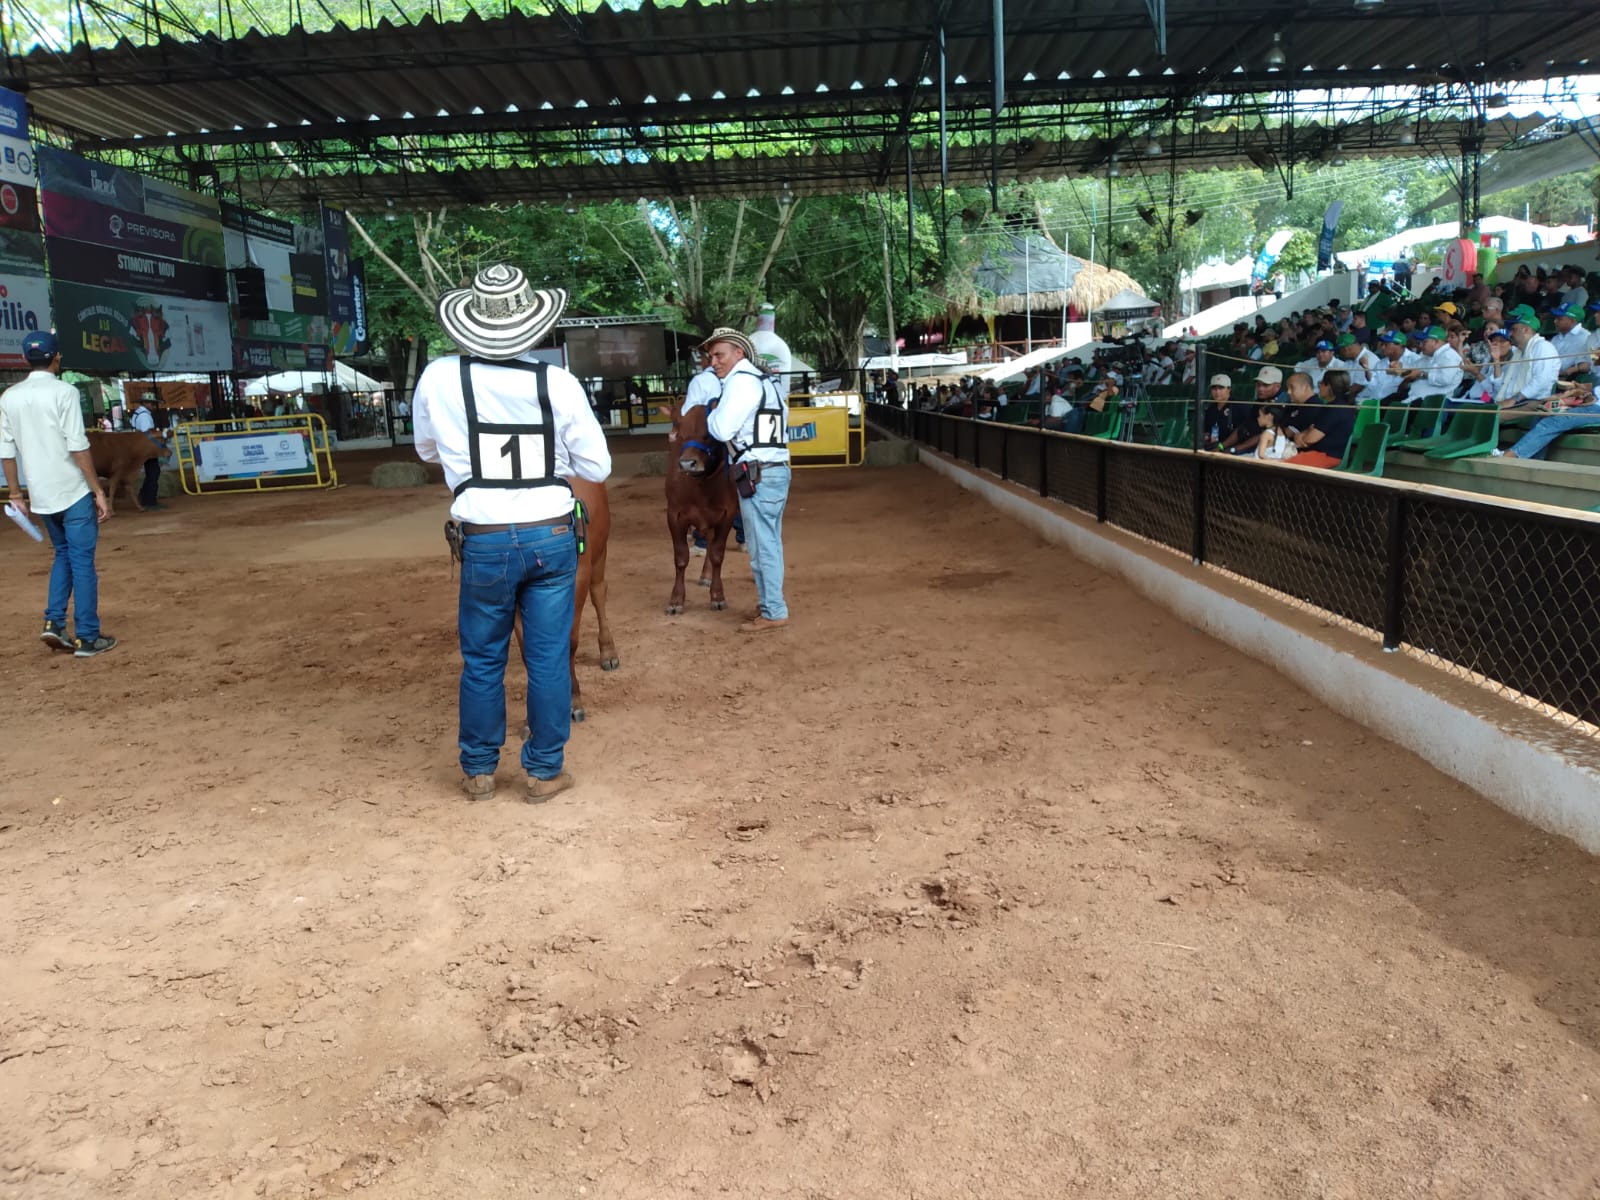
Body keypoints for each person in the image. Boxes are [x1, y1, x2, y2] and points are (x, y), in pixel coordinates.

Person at [412, 263, 612, 805]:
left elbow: (427, 450)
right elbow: (597, 465)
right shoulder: (557, 382)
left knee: (482, 658)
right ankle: (544, 771)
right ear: (530, 323)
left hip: (484, 536)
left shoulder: (439, 377)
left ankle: (479, 771)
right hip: (551, 533)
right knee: (547, 657)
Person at [0, 331, 116, 657]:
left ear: (26, 359)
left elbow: (6, 452)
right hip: (72, 491)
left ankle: (54, 622)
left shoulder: (9, 397)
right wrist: (97, 490)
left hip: (42, 495)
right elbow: (77, 446)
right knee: (82, 562)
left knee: (63, 554)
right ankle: (88, 637)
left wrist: (15, 494)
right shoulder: (65, 392)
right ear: (56, 357)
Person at [704, 327, 791, 633]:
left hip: (757, 472)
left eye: (719, 355)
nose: (714, 362)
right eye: (711, 357)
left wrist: (713, 413)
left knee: (761, 546)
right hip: (774, 469)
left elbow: (721, 429)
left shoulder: (740, 381)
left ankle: (774, 610)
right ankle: (770, 603)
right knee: (770, 542)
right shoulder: (767, 382)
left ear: (738, 353)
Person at [681, 346, 745, 555]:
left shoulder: (701, 381)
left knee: (705, 490)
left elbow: (688, 414)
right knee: (738, 486)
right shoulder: (740, 379)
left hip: (709, 442)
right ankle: (744, 537)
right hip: (738, 441)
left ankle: (702, 541)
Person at [1288, 370, 1359, 468]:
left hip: (1327, 456)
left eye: (1320, 383)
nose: (1319, 387)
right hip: (1321, 453)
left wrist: (1300, 437)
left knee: (1283, 465)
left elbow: (1311, 438)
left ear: (1328, 386)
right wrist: (1303, 435)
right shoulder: (1335, 406)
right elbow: (1311, 428)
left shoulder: (1335, 409)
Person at [128, 397, 167, 511]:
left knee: (152, 472)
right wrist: (161, 440)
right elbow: (148, 434)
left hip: (139, 445)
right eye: (152, 403)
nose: (154, 406)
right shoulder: (145, 416)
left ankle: (144, 496)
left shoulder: (138, 413)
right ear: (145, 403)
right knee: (153, 472)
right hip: (146, 447)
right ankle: (149, 500)